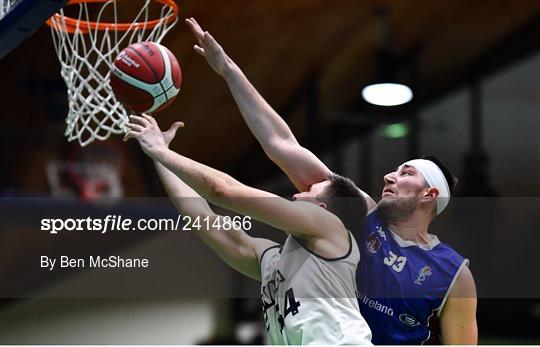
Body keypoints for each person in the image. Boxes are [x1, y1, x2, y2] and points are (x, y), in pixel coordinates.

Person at [185, 17, 477, 345]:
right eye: (395, 170)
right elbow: (282, 144)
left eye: (406, 173)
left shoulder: (454, 273)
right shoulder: (360, 211)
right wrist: (228, 69)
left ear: (429, 194)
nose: (389, 176)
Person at [124, 114, 372, 345]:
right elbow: (203, 218)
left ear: (323, 208)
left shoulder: (331, 227)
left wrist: (159, 150)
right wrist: (160, 155)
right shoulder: (273, 261)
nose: (297, 194)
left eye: (309, 191)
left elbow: (223, 189)